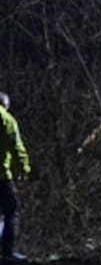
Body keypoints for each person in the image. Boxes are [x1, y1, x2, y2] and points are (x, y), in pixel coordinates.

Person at [0, 92, 31, 262]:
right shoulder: (6, 120)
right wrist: (23, 169)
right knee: (11, 210)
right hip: (1, 176)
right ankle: (7, 252)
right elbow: (16, 147)